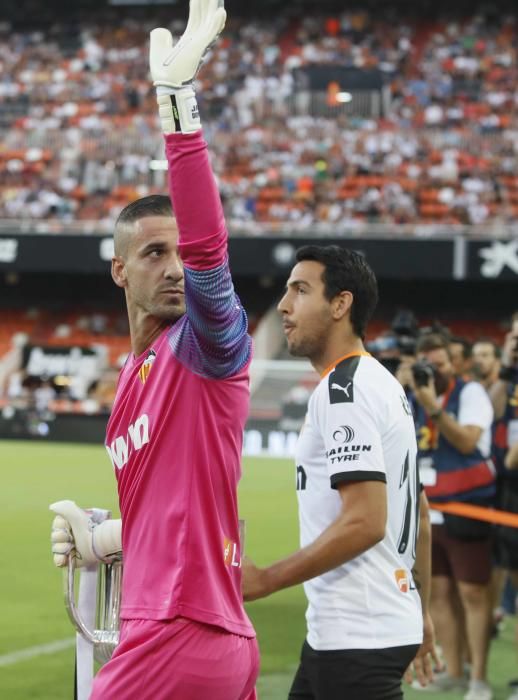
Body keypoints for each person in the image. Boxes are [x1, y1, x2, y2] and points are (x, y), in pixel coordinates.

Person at [49, 3, 259, 699]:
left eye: (179, 251)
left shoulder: (208, 349)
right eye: (153, 253)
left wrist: (178, 110)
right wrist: (97, 540)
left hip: (181, 630)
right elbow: (169, 523)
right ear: (120, 272)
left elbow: (209, 255)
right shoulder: (132, 382)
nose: (174, 266)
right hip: (196, 633)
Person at [242, 245, 437, 699]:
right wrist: (418, 611)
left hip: (357, 638)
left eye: (300, 290)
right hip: (353, 631)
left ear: (340, 304)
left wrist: (267, 578)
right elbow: (420, 514)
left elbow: (365, 521)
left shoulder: (344, 391)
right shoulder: (382, 384)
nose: (284, 305)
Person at [410, 333, 495, 700]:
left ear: (453, 363)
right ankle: (456, 671)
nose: (434, 372)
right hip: (430, 508)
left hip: (468, 505)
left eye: (440, 364)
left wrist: (432, 404)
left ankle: (479, 678)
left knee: (473, 594)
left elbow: (466, 442)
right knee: (439, 594)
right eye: (427, 365)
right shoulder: (409, 393)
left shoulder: (470, 392)